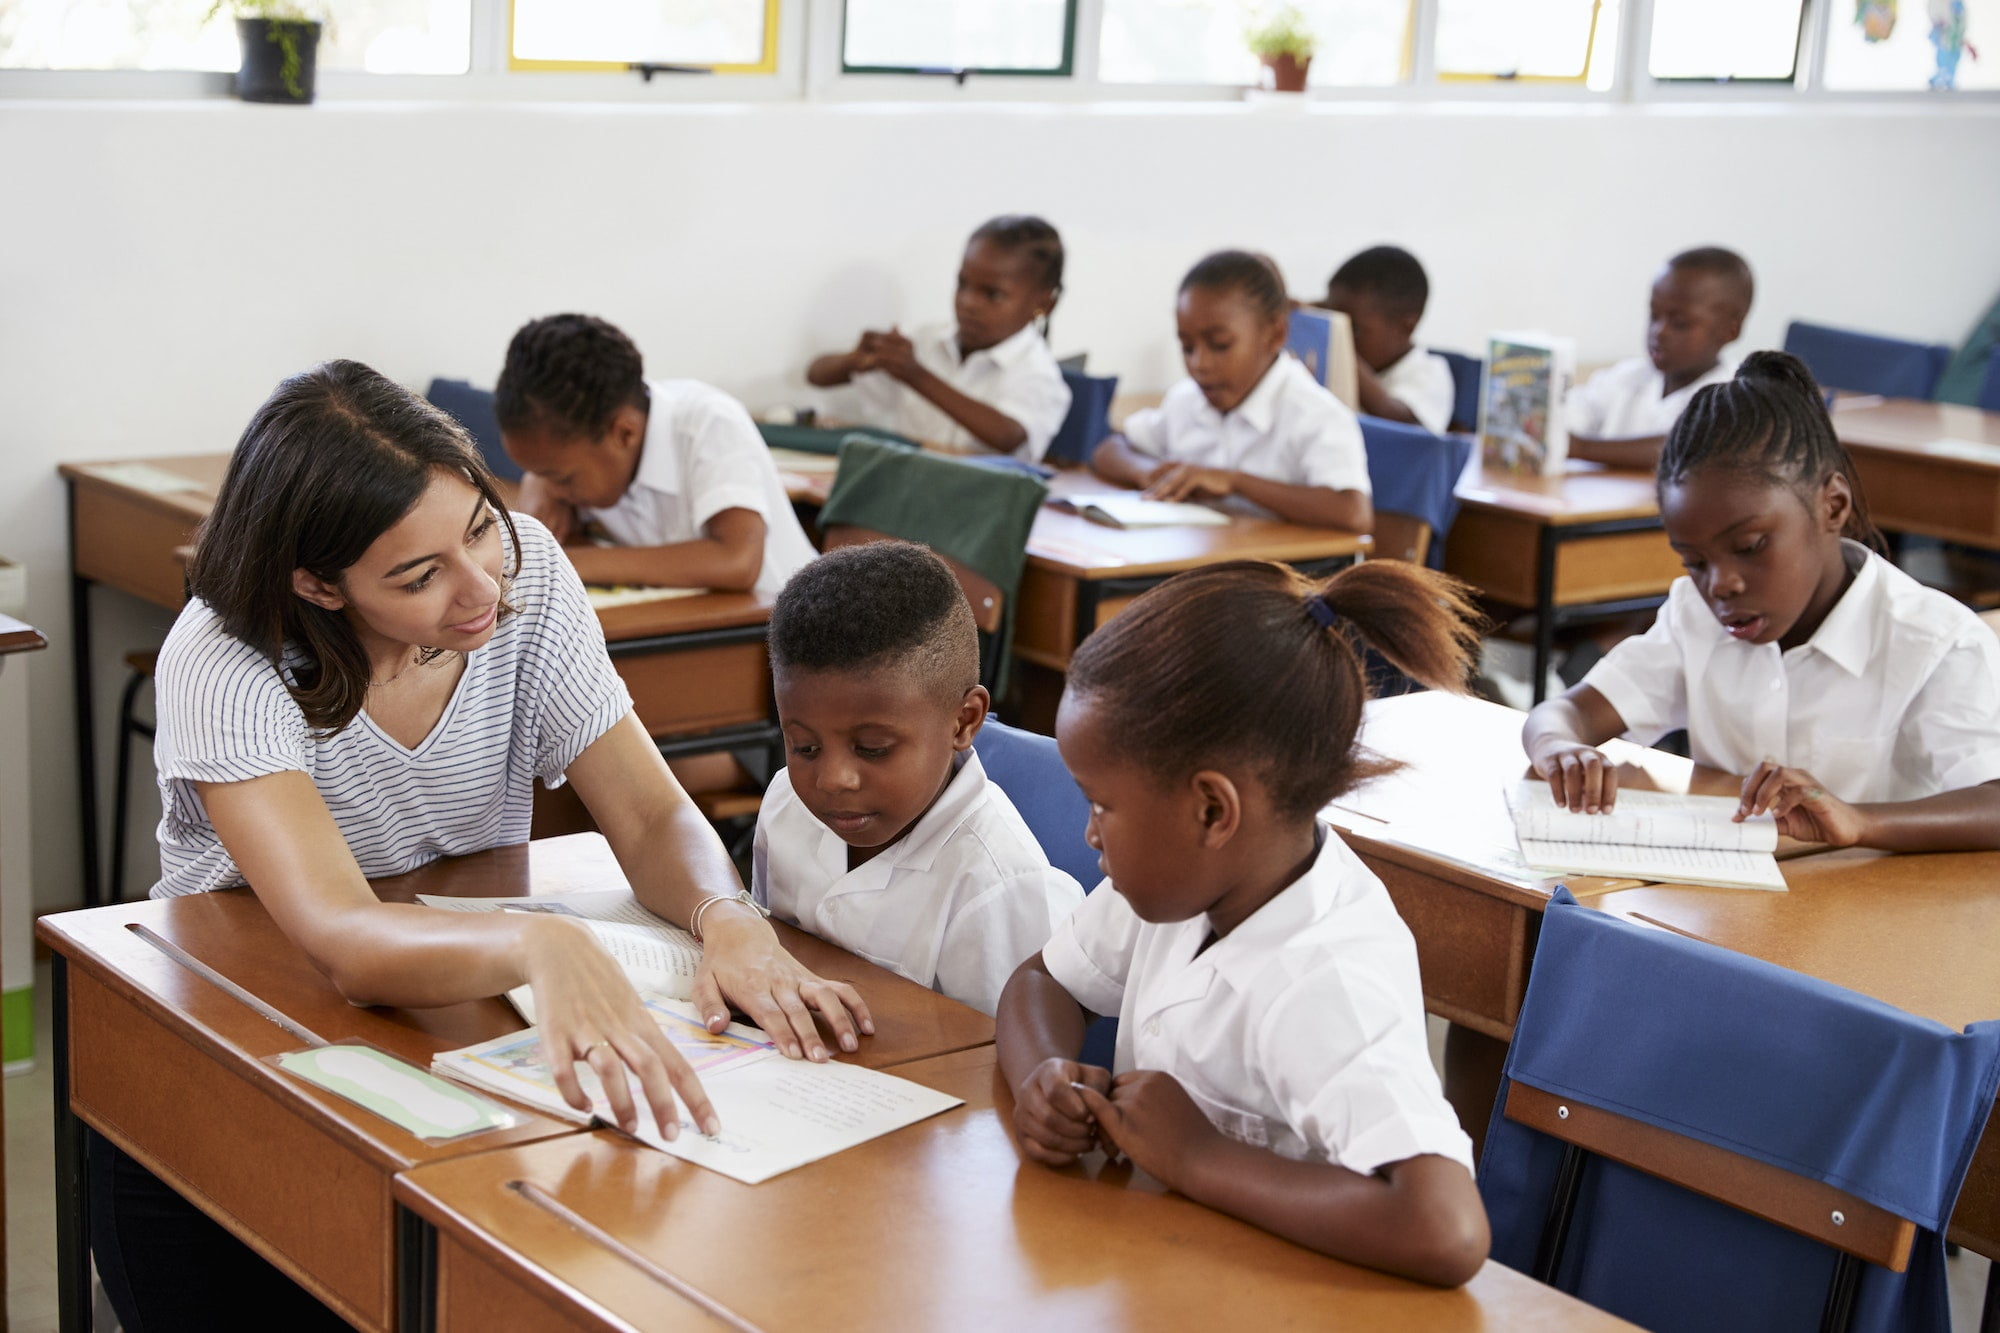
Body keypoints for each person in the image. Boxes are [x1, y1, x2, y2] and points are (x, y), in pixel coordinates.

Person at [112, 362, 869, 1330]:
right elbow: (341, 935)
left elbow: (643, 812)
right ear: (316, 584)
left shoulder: (531, 573)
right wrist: (536, 943)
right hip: (246, 1036)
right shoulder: (230, 655)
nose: (481, 592)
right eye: (417, 576)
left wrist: (728, 918)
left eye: (480, 529)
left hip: (455, 1027)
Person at [997, 558, 1490, 1287]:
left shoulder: (1327, 974)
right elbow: (1043, 981)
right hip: (1165, 1268)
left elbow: (1445, 1228)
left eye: (1101, 804)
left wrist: (1198, 1157)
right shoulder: (1185, 882)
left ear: (1212, 810)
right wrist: (1042, 1073)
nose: (1090, 834)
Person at [1524, 352, 2000, 850]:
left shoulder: (1936, 642)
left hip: (1879, 913)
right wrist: (1559, 748)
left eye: (1750, 547)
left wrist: (1859, 822)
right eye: (1695, 561)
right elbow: (1562, 712)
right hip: (1731, 906)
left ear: (1831, 506)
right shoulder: (1697, 618)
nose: (1721, 585)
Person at [753, 542, 1083, 1015]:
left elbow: (1001, 1066)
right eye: (804, 747)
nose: (833, 779)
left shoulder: (998, 888)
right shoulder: (787, 801)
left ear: (964, 721)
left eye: (873, 749)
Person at [496, 313, 816, 598]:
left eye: (560, 478)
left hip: (782, 627)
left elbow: (737, 560)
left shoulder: (708, 422)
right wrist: (538, 481)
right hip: (693, 617)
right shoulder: (590, 443)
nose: (554, 488)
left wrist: (562, 561)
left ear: (624, 433)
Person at [1090, 251, 1373, 532]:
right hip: (1198, 561)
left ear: (1275, 335)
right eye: (1187, 347)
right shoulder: (1186, 399)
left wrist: (1235, 482)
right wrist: (1146, 472)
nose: (1199, 364)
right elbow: (1109, 449)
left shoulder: (1315, 414)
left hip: (1282, 572)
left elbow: (1352, 512)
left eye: (1220, 345)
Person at [807, 215, 1071, 459]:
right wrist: (854, 359)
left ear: (1043, 305)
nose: (967, 302)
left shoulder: (1039, 375)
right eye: (962, 284)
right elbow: (816, 375)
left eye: (992, 294)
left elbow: (1007, 436)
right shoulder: (922, 341)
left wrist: (916, 375)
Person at [1565, 247, 1754, 469]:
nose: (1659, 331)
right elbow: (1573, 413)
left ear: (1730, 331)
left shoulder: (1736, 397)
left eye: (1679, 323)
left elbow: (1687, 448)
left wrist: (1580, 448)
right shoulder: (1625, 377)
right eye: (1654, 316)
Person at [1322, 245, 1456, 434]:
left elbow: (1396, 420)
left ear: (1406, 326)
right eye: (1336, 324)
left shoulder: (1429, 373)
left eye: (1352, 329)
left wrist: (1340, 346)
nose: (1341, 335)